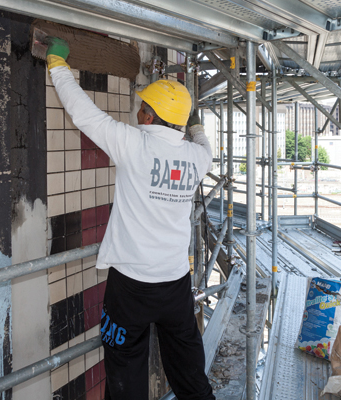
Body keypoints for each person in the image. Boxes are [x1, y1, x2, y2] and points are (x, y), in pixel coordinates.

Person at [46, 37, 215, 400]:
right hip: (176, 286)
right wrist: (196, 124)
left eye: (141, 109)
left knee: (125, 374)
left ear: (149, 117)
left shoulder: (133, 144)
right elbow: (205, 146)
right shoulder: (196, 160)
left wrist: (58, 66)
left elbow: (84, 113)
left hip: (131, 288)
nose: (137, 114)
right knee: (189, 370)